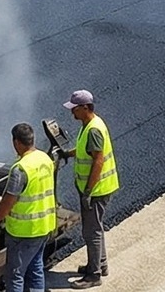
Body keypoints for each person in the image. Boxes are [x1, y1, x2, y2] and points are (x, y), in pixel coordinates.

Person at [58, 90, 120, 289]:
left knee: (91, 231)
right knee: (96, 227)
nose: (72, 113)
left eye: (74, 109)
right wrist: (68, 153)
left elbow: (98, 161)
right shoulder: (90, 125)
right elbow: (87, 150)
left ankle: (93, 276)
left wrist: (88, 192)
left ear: (85, 108)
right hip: (97, 188)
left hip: (96, 190)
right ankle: (100, 265)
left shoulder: (93, 129)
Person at [0, 123, 56, 292]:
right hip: (44, 226)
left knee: (15, 275)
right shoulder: (45, 159)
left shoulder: (20, 169)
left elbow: (9, 199)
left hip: (24, 232)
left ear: (16, 142)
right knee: (35, 269)